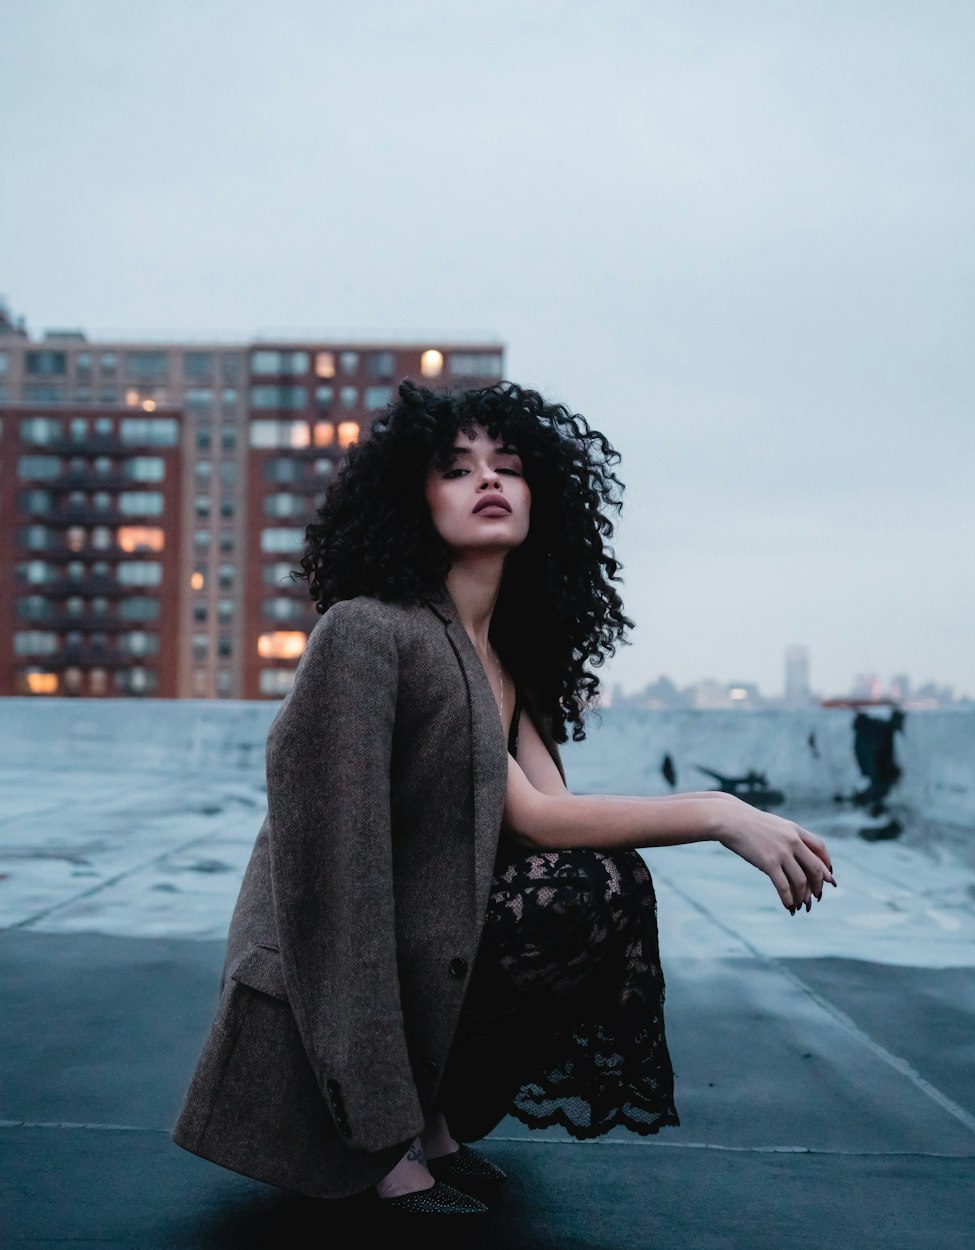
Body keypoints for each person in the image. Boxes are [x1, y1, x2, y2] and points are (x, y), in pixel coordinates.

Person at [171, 379, 835, 1215]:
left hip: (421, 934)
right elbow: (335, 885)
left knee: (601, 885)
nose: (488, 480)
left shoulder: (508, 658)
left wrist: (721, 816)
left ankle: (435, 1113)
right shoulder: (368, 631)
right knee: (573, 884)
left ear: (539, 495)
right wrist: (721, 812)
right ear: (411, 500)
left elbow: (547, 821)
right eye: (456, 469)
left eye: (508, 466)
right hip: (327, 968)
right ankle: (385, 1134)